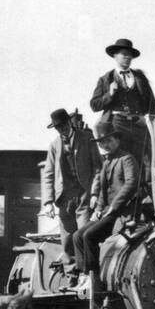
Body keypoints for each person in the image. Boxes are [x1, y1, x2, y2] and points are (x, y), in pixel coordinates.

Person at [72, 120, 142, 295]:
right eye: (102, 142)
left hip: (121, 214)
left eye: (109, 141)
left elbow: (132, 183)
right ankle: (84, 276)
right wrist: (98, 209)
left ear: (117, 140)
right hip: (106, 212)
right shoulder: (106, 163)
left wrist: (113, 207)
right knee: (76, 236)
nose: (105, 145)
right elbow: (103, 191)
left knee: (89, 236)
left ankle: (94, 280)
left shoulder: (127, 159)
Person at [90, 38, 155, 185]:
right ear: (115, 56)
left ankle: (140, 197)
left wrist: (144, 118)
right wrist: (110, 94)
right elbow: (94, 105)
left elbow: (152, 104)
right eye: (123, 54)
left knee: (142, 159)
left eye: (129, 54)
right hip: (117, 124)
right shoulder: (105, 79)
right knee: (120, 160)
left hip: (138, 124)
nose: (127, 57)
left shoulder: (140, 78)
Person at [40, 108, 101, 271]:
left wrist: (95, 193)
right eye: (58, 128)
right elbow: (49, 174)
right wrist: (47, 202)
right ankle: (71, 274)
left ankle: (88, 274)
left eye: (64, 125)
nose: (62, 130)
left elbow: (97, 168)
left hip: (84, 194)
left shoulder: (87, 138)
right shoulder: (54, 146)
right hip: (64, 197)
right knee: (67, 238)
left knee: (84, 234)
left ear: (70, 122)